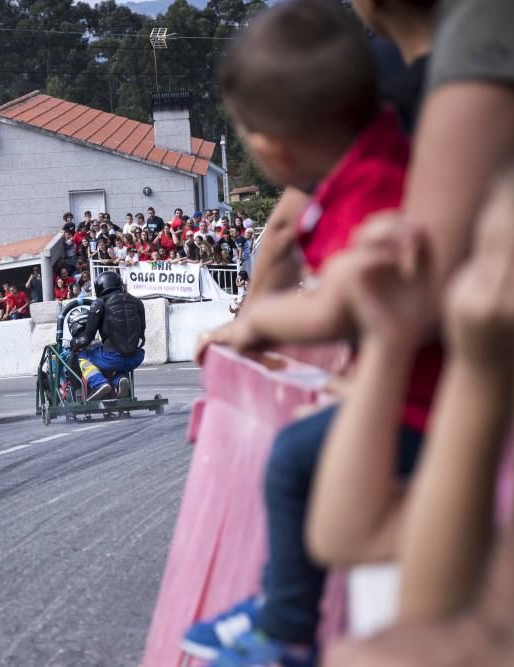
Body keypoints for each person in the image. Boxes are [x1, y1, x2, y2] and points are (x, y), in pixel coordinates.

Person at [187, 1, 440, 664]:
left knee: (296, 460)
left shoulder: (368, 190)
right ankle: (280, 606)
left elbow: (343, 304)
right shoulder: (375, 154)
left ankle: (287, 627)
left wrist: (255, 324)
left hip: (421, 412)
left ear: (272, 146)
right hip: (406, 388)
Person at [69, 271, 146, 402]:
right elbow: (142, 336)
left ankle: (99, 384)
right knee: (111, 357)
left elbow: (86, 339)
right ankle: (120, 379)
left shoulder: (99, 303)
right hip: (136, 357)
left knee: (80, 356)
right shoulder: (138, 302)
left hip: (112, 358)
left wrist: (74, 342)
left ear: (100, 287)